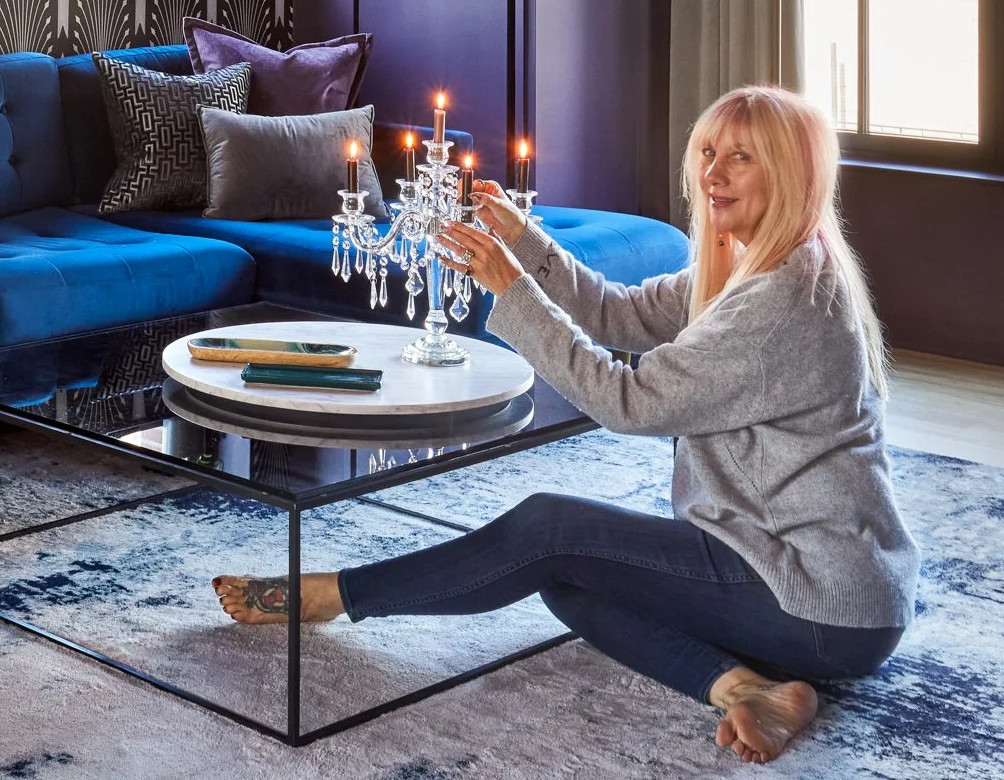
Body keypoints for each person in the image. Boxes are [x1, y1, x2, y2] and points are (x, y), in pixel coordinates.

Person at [212, 86, 916, 765]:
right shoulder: (755, 267)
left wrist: (513, 291)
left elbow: (627, 402)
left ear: (792, 176)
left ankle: (331, 595)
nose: (711, 173)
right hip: (817, 587)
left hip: (818, 602)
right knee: (563, 575)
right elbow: (620, 314)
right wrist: (527, 240)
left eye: (740, 158)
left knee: (547, 529)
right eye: (707, 152)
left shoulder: (778, 304)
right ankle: (747, 688)